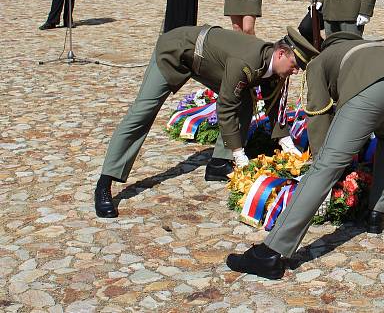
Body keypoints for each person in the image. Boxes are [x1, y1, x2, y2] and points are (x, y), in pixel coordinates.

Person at [226, 32, 384, 279]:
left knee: (325, 166)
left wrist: (323, 158)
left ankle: (271, 253)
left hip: (372, 89)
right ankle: (377, 214)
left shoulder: (321, 60)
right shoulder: (369, 47)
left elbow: (318, 114)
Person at [93, 26, 319, 218]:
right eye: (295, 64)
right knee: (142, 113)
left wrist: (287, 143)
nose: (296, 71)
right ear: (280, 53)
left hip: (209, 63)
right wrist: (240, 154)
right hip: (177, 52)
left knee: (244, 103)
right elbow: (226, 106)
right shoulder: (246, 62)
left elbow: (274, 105)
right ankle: (106, 182)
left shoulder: (273, 67)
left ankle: (219, 163)